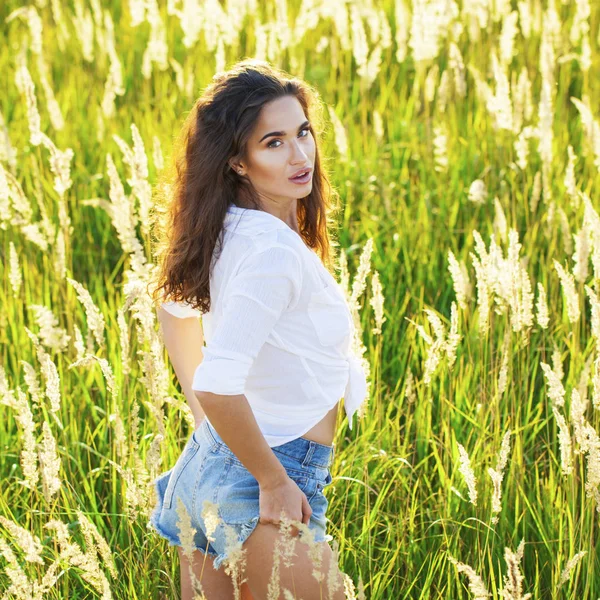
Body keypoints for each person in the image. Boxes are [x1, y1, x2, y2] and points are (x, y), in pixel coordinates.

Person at [148, 59, 368, 600]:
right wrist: (271, 478)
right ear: (238, 162)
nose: (299, 155)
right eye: (273, 142)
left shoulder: (224, 226)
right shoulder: (271, 251)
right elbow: (218, 384)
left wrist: (213, 428)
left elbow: (174, 310)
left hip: (208, 469)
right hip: (261, 481)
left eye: (303, 133)